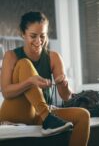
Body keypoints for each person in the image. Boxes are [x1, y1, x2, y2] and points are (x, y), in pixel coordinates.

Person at [0, 11, 90, 146]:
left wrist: (64, 84)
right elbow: (6, 92)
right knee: (25, 64)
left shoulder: (53, 58)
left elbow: (66, 97)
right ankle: (48, 118)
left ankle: (48, 118)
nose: (38, 41)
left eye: (43, 36)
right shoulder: (11, 56)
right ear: (23, 34)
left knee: (83, 115)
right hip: (15, 111)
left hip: (40, 115)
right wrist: (30, 81)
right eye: (33, 36)